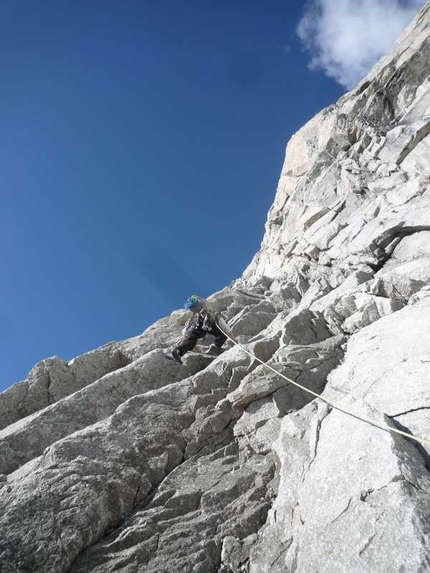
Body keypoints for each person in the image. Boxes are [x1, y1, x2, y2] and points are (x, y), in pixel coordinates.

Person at [170, 295, 235, 364]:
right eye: (191, 308)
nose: (191, 310)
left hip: (198, 328)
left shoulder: (194, 318)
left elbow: (186, 332)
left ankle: (179, 351)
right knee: (223, 334)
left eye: (191, 308)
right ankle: (215, 347)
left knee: (192, 337)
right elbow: (227, 330)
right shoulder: (213, 315)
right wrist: (235, 342)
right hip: (209, 327)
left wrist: (189, 344)